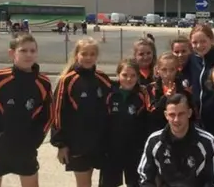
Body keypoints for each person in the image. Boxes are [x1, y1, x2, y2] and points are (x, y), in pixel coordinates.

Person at [0, 33, 53, 187]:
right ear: (12, 53)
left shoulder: (43, 83)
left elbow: (48, 116)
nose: (28, 55)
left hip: (26, 145)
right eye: (23, 51)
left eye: (32, 51)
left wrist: (35, 140)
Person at [51, 38, 112, 187]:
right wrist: (61, 144)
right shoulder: (67, 80)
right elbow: (57, 113)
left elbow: (112, 105)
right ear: (77, 55)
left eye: (92, 54)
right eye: (84, 53)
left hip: (99, 141)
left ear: (97, 56)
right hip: (77, 143)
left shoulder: (103, 78)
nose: (88, 57)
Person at [138, 93, 214, 187]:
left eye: (181, 114)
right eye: (172, 115)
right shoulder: (154, 141)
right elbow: (145, 177)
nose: (176, 120)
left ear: (189, 113)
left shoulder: (207, 142)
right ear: (166, 115)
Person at [100, 59, 149, 187]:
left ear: (138, 77)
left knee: (135, 183)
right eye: (125, 75)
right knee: (108, 183)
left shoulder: (142, 95)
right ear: (118, 75)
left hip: (134, 150)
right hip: (111, 149)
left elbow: (146, 122)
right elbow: (103, 122)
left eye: (133, 76)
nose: (129, 79)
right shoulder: (109, 94)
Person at [147, 52, 193, 132]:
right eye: (164, 70)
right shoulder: (151, 88)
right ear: (157, 70)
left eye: (172, 70)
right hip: (158, 131)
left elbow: (192, 115)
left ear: (177, 69)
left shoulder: (185, 89)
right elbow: (151, 114)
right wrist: (165, 98)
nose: (168, 74)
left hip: (181, 131)